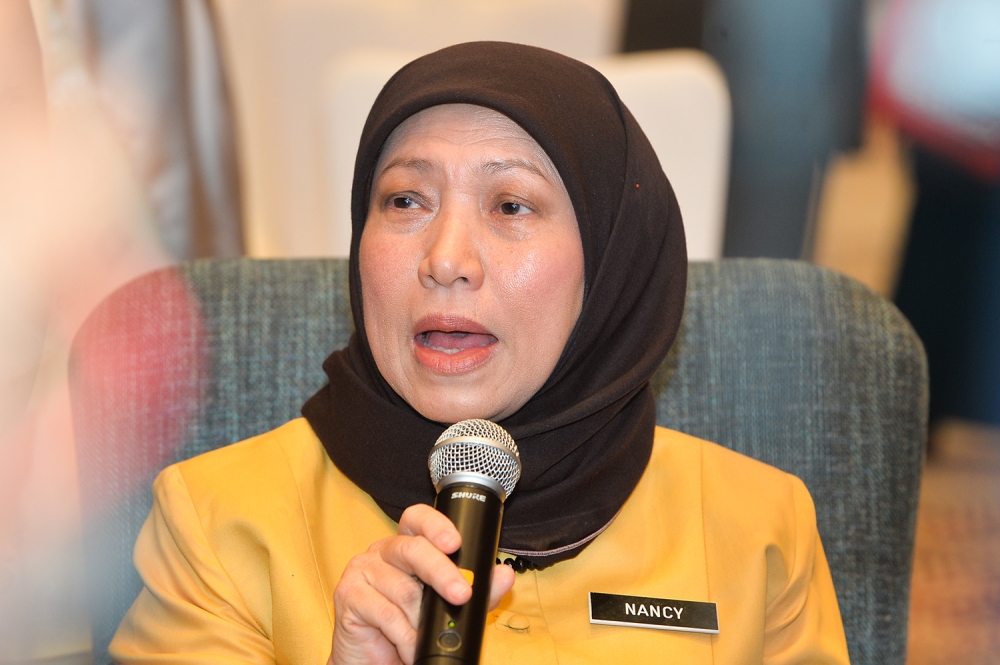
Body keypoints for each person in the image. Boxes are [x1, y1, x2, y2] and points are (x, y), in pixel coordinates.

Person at [109, 42, 849, 664]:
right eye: (405, 201)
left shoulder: (758, 529)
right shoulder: (218, 521)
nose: (446, 259)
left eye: (511, 206)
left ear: (612, 259)